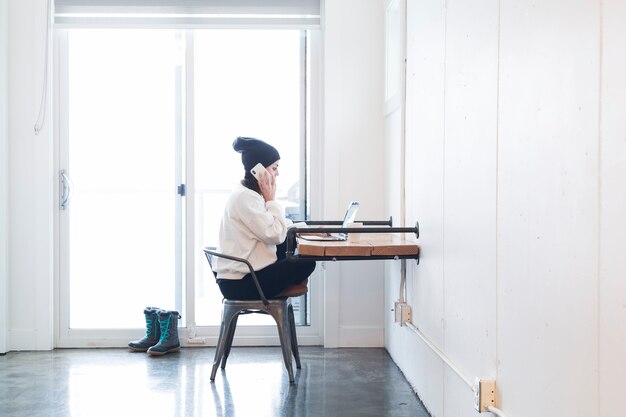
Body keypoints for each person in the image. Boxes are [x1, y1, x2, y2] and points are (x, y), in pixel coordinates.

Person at [213, 136, 316, 300]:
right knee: (308, 261)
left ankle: (283, 285)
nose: (278, 173)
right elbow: (275, 234)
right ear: (259, 170)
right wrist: (271, 200)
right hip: (241, 282)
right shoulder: (246, 198)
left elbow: (275, 225)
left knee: (291, 241)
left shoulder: (249, 194)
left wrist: (305, 230)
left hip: (246, 274)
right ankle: (282, 287)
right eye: (274, 168)